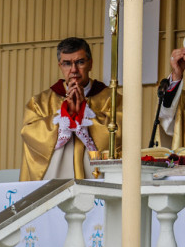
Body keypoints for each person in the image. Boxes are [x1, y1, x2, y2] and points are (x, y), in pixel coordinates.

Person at [20, 37, 118, 181]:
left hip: (98, 177)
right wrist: (65, 116)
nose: (74, 70)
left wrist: (85, 114)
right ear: (60, 66)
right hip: (55, 179)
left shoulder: (112, 99)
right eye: (67, 63)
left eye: (80, 62)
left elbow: (121, 134)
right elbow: (30, 135)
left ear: (90, 64)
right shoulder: (40, 102)